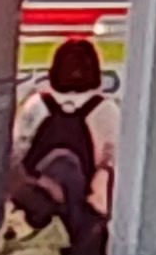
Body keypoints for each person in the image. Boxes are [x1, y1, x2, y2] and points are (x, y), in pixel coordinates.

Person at [17, 39, 117, 214]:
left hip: (33, 213)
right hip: (83, 216)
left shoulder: (35, 105)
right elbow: (111, 164)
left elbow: (15, 154)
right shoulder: (106, 110)